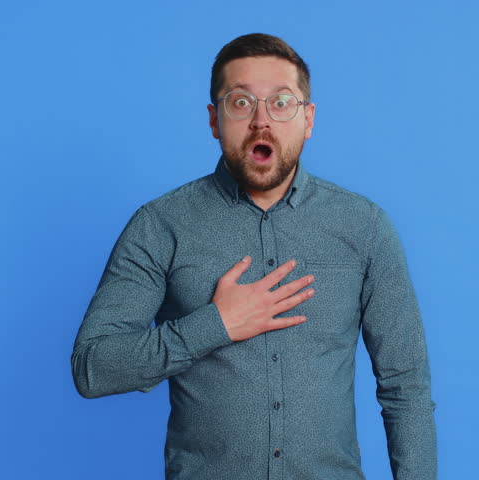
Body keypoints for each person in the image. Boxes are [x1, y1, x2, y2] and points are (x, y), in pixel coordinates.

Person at [71, 33, 437, 480]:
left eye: (281, 102)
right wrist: (214, 325)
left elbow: (406, 387)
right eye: (241, 103)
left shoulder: (365, 227)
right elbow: (93, 368)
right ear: (214, 119)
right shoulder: (160, 225)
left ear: (308, 119)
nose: (262, 122)